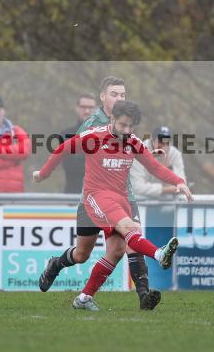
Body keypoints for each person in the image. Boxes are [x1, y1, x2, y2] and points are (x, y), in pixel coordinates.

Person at [33, 100, 193, 311]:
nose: (126, 131)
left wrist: (179, 182)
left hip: (117, 200)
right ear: (112, 119)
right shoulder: (94, 136)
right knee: (107, 241)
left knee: (107, 251)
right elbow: (63, 148)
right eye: (122, 125)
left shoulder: (133, 142)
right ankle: (158, 254)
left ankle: (82, 296)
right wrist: (43, 174)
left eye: (130, 127)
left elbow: (154, 168)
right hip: (93, 199)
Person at [131, 126, 186, 198]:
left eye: (167, 142)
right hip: (140, 200)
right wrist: (166, 190)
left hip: (167, 201)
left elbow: (182, 185)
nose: (164, 146)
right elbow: (137, 187)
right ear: (152, 140)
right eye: (160, 142)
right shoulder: (139, 151)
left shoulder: (175, 154)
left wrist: (168, 167)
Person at [58, 93, 97, 193]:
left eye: (91, 107)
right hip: (72, 195)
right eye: (83, 107)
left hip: (98, 197)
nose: (87, 111)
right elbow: (68, 165)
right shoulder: (66, 134)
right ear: (77, 108)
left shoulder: (104, 134)